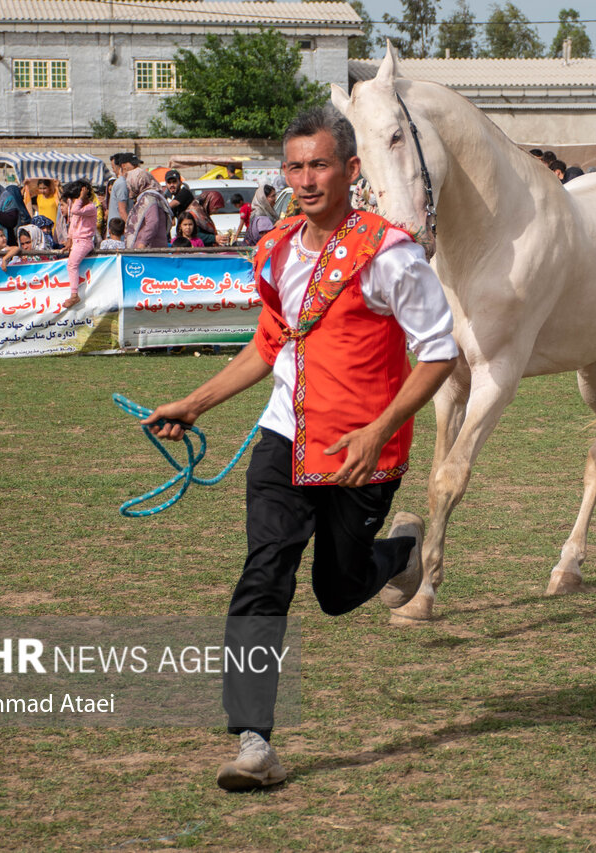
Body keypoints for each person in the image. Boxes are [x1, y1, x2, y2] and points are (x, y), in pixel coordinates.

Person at [141, 105, 458, 792]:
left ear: (351, 170)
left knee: (338, 590)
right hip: (284, 436)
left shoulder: (391, 254)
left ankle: (398, 555)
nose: (307, 178)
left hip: (359, 452)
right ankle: (254, 740)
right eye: (295, 165)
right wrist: (194, 403)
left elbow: (439, 355)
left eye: (320, 164)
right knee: (265, 576)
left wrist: (378, 429)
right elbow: (269, 343)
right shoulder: (277, 248)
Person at [60, 179, 97, 310]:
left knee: (72, 265)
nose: (75, 201)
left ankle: (74, 295)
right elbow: (72, 225)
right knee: (71, 264)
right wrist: (69, 241)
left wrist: (81, 198)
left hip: (85, 241)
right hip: (76, 241)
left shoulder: (90, 207)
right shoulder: (78, 206)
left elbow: (75, 211)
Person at [123, 169, 174, 249]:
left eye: (130, 183)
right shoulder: (146, 197)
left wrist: (143, 242)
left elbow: (152, 222)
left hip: (149, 249)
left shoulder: (149, 198)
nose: (129, 187)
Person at [109, 153, 139, 223]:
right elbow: (122, 211)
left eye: (137, 165)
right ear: (124, 166)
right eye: (134, 165)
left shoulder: (126, 182)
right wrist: (132, 229)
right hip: (119, 231)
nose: (136, 168)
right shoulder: (122, 184)